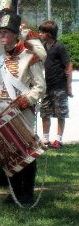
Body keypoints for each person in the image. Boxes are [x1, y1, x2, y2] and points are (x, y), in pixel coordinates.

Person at [0, 13, 46, 205]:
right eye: (0, 32)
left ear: (15, 34)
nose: (2, 35)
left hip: (23, 109)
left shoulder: (30, 57)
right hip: (3, 110)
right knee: (9, 153)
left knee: (26, 151)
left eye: (5, 32)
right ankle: (14, 191)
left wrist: (25, 101)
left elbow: (40, 86)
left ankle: (27, 192)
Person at [37, 21, 72, 149]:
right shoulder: (43, 46)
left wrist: (69, 87)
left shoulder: (59, 46)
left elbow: (68, 65)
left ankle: (59, 140)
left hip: (59, 86)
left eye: (42, 32)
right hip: (47, 85)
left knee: (60, 113)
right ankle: (45, 139)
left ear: (50, 34)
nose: (40, 34)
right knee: (44, 112)